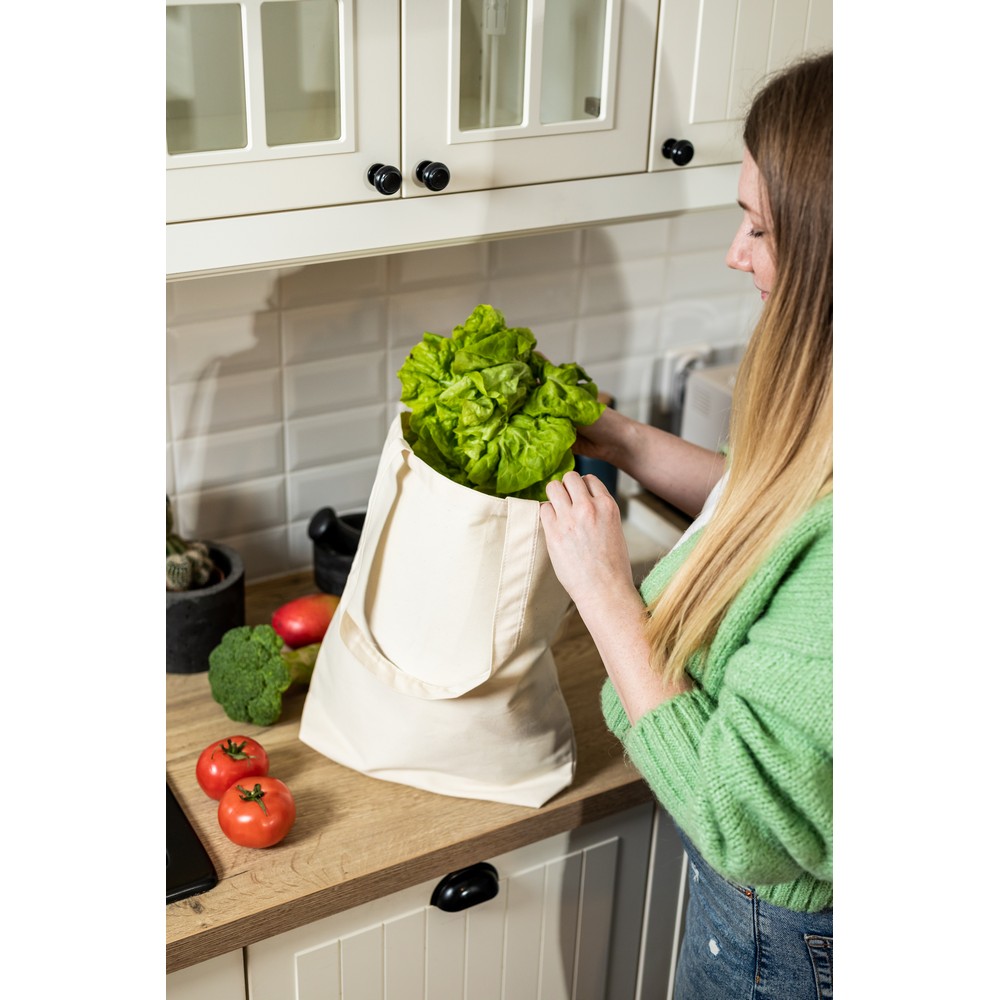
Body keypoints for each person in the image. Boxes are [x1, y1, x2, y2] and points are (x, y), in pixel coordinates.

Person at [539, 51, 833, 1000]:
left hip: (788, 945)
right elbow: (775, 506)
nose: (736, 253)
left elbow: (737, 812)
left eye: (761, 228)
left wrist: (606, 595)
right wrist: (626, 441)